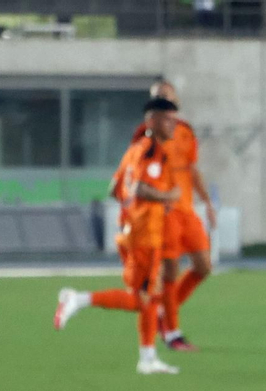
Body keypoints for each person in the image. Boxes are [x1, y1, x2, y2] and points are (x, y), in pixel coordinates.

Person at [54, 98, 183, 375]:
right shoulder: (151, 152)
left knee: (151, 297)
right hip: (145, 234)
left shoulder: (134, 150)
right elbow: (138, 188)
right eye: (167, 119)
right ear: (151, 121)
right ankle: (78, 299)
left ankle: (148, 359)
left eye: (175, 119)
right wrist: (166, 197)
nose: (173, 124)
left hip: (133, 231)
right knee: (143, 300)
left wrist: (138, 208)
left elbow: (115, 188)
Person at [137, 80, 216, 351]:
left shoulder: (184, 132)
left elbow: (191, 169)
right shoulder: (145, 136)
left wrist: (207, 202)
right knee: (170, 271)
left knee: (204, 266)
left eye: (167, 97)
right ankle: (173, 332)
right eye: (158, 98)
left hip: (187, 210)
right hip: (164, 213)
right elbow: (137, 174)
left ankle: (163, 313)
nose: (164, 102)